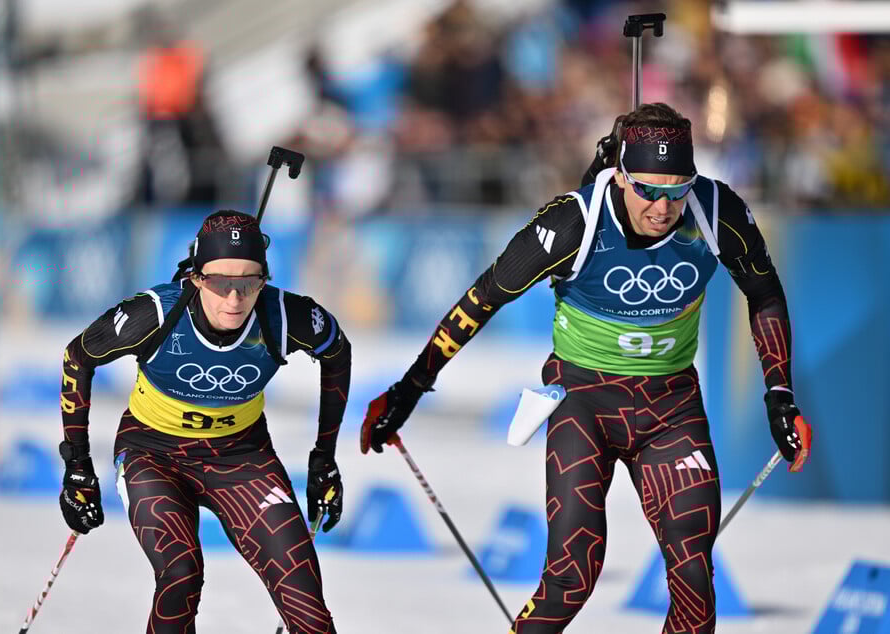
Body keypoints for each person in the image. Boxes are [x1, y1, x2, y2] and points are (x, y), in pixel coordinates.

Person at [360, 103, 812, 633]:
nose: (663, 207)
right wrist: (409, 391)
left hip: (670, 408)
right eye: (647, 189)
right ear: (619, 175)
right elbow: (483, 299)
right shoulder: (574, 220)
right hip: (583, 401)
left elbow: (764, 292)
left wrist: (780, 393)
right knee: (572, 577)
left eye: (676, 188)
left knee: (694, 579)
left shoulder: (715, 210)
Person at [57, 210, 349, 633]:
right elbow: (77, 357)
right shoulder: (155, 314)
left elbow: (337, 353)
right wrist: (78, 466)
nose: (235, 299)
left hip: (241, 457)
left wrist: (324, 461)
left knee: (307, 604)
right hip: (153, 454)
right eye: (220, 283)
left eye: (249, 282)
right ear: (196, 277)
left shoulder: (284, 315)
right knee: (181, 574)